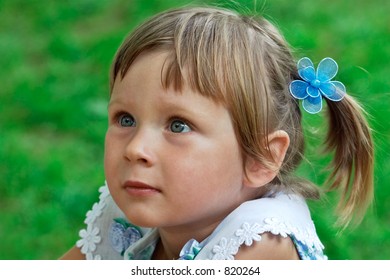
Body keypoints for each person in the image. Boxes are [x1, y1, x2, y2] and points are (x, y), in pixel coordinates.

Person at [60, 6, 374, 260]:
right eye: (126, 119)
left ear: (260, 158)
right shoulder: (136, 203)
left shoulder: (259, 244)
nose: (135, 149)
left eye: (178, 125)